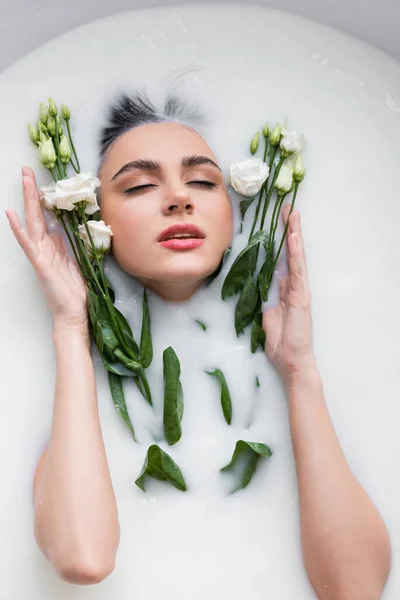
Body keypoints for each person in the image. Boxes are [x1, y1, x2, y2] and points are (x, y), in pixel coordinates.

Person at [6, 94, 390, 598]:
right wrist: (72, 326)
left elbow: (355, 587)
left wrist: (298, 370)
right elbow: (82, 558)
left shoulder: (273, 354)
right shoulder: (56, 372)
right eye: (141, 185)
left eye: (204, 182)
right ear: (93, 223)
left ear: (234, 216)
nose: (178, 199)